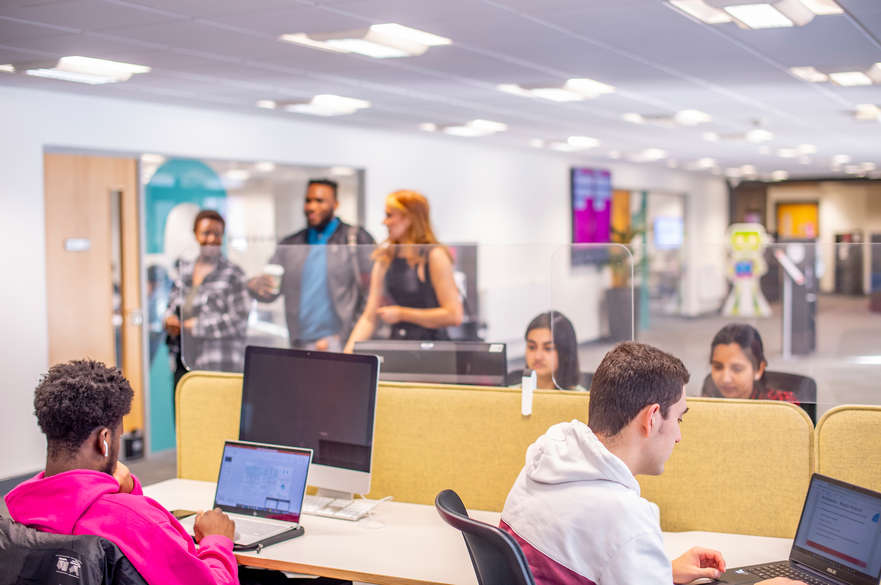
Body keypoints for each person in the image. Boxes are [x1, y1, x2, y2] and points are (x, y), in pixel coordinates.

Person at [500, 342, 803, 585]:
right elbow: (612, 538)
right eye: (679, 418)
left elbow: (586, 562)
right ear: (652, 418)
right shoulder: (625, 519)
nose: (679, 437)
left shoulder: (545, 456)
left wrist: (660, 572)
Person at [4, 359, 238, 585]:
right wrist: (216, 540)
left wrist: (123, 492)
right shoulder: (136, 520)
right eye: (118, 435)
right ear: (104, 440)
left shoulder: (22, 510)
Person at [248, 179, 375, 352]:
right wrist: (254, 286)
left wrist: (346, 336)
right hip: (300, 345)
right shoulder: (291, 244)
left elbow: (373, 295)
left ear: (335, 204)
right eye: (308, 200)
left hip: (342, 344)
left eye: (319, 201)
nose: (311, 207)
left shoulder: (355, 239)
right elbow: (270, 291)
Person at [343, 190, 463, 352]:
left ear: (409, 218)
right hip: (399, 347)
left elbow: (453, 315)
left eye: (390, 215)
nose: (384, 222)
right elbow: (369, 317)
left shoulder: (435, 256)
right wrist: (348, 355)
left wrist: (402, 314)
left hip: (433, 349)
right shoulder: (385, 257)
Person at [164, 210, 251, 383]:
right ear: (196, 235)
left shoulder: (234, 274)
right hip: (183, 363)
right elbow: (171, 308)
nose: (211, 239)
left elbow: (239, 321)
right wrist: (169, 320)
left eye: (217, 234)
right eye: (206, 233)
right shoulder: (183, 272)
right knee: (184, 410)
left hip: (219, 365)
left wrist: (194, 326)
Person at [705, 323, 797, 402]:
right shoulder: (707, 402)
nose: (725, 379)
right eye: (717, 367)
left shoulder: (784, 405)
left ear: (759, 369)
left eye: (737, 369)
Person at [522, 311, 584, 390]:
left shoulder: (582, 399)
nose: (538, 356)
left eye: (548, 348)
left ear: (566, 352)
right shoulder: (509, 394)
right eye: (532, 347)